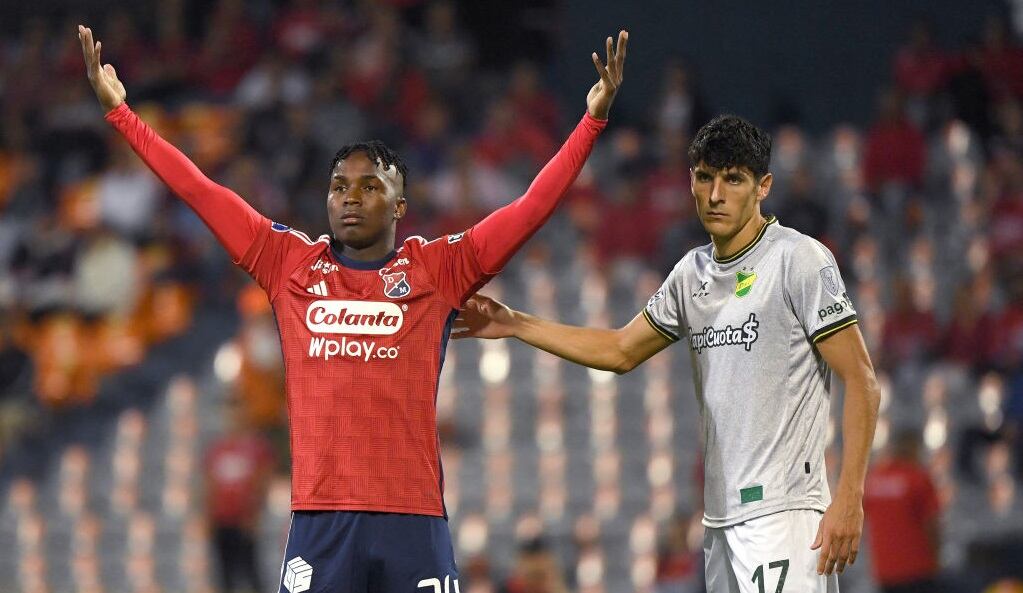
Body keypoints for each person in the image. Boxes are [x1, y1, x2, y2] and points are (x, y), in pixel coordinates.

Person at [77, 24, 628, 593]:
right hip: (321, 522)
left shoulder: (437, 270)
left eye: (370, 186)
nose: (351, 197)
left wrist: (591, 123)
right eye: (340, 186)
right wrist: (123, 116)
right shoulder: (287, 264)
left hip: (413, 522)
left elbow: (531, 207)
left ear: (401, 205)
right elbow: (199, 190)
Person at [455, 115, 881, 592]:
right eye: (705, 177)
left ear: (763, 187)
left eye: (733, 179)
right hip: (720, 522)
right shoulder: (691, 273)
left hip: (784, 511)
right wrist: (516, 324)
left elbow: (862, 379)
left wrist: (849, 496)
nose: (716, 194)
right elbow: (620, 350)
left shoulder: (798, 259)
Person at [204, 397, 276, 593]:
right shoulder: (217, 448)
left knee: (251, 573)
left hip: (245, 520)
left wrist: (256, 514)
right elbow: (209, 485)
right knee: (225, 575)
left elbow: (263, 482)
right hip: (222, 520)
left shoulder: (256, 447)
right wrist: (208, 518)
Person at [863, 428, 941, 593]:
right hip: (917, 568)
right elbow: (932, 524)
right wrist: (936, 556)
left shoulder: (874, 479)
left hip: (885, 570)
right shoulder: (918, 478)